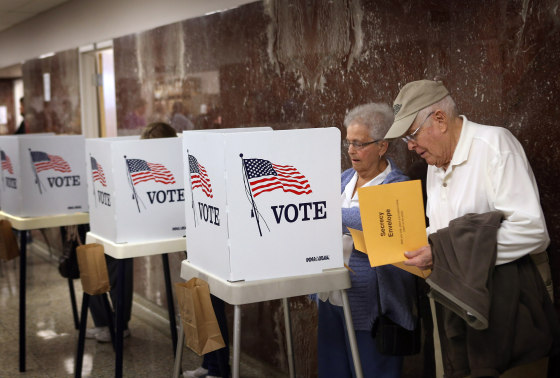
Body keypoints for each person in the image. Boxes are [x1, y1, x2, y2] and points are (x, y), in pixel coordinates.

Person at [384, 79, 559, 377]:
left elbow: (533, 231)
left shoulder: (495, 146)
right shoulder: (434, 163)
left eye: (411, 135)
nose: (411, 146)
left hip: (510, 308)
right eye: (405, 140)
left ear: (439, 119)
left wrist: (443, 253)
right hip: (458, 305)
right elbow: (442, 233)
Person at [316, 103, 417, 378]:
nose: (351, 151)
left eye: (359, 144)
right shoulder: (344, 179)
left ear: (382, 146)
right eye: (348, 143)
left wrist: (321, 213)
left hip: (371, 309)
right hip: (331, 299)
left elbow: (366, 220)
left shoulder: (397, 186)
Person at [86, 122, 178, 342]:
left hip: (167, 231)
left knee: (118, 261)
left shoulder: (175, 164)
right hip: (140, 228)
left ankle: (118, 324)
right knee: (93, 257)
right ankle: (108, 322)